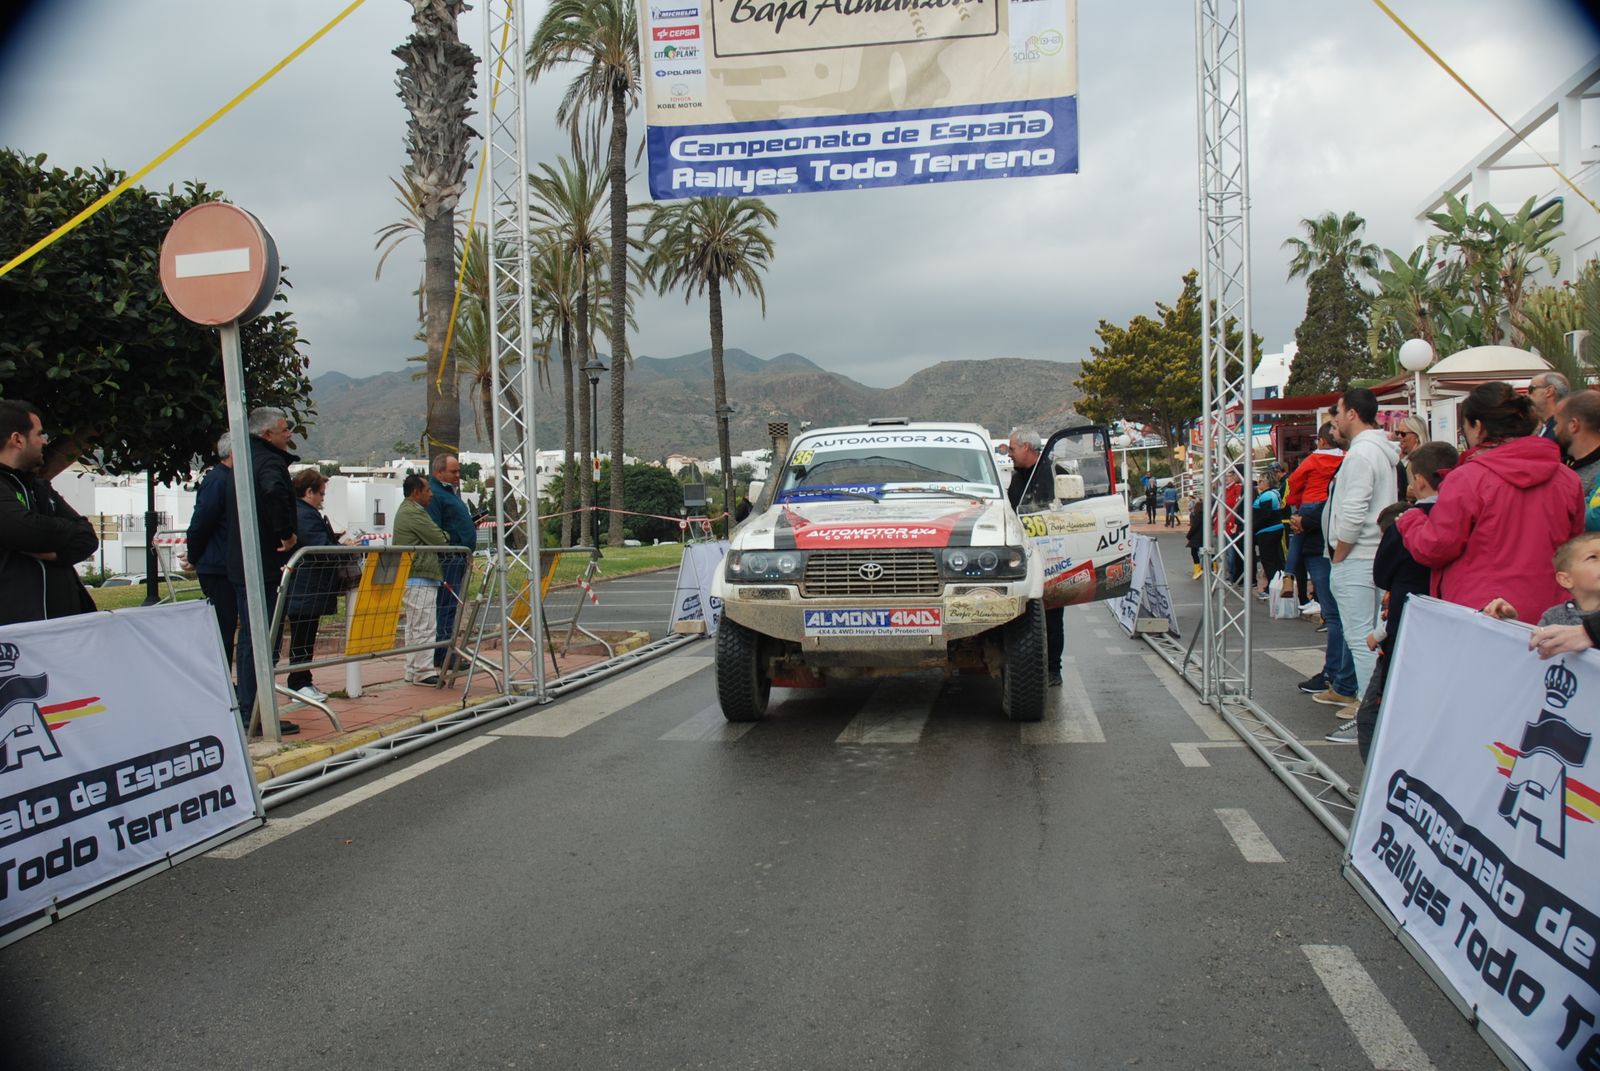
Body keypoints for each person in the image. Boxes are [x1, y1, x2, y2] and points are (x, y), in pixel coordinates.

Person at [1398, 381, 1584, 624]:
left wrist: (1411, 520)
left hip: (1482, 612)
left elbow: (1435, 547)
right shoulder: (1568, 479)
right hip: (1549, 614)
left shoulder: (1468, 479)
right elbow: (1574, 546)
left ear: (1478, 426)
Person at [1326, 441, 1457, 751]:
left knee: (1376, 707)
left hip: (1405, 623)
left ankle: (1376, 778)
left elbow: (1384, 574)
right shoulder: (1461, 517)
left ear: (1420, 480)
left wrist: (1341, 553)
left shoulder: (1406, 524)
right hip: (1444, 624)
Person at [1323, 388, 1399, 720]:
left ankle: (1368, 716)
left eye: (1338, 413)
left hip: (1357, 558)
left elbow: (1353, 512)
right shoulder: (1378, 452)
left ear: (1352, 414)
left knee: (1360, 639)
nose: (1335, 420)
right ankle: (1371, 709)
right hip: (1371, 555)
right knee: (1369, 636)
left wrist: (1340, 554)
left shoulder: (1361, 455)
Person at [228, 406, 301, 735]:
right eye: (284, 429)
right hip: (263, 562)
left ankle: (253, 708)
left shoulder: (243, 461)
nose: (290, 434)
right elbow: (272, 492)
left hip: (245, 561)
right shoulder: (269, 462)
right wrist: (286, 533)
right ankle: (254, 710)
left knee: (253, 639)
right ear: (267, 434)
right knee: (262, 639)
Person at [0, 399, 97, 625]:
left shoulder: (39, 487)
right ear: (17, 439)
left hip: (62, 628)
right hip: (17, 636)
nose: (45, 441)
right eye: (40, 434)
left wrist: (56, 553)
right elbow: (26, 531)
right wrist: (65, 530)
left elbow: (88, 537)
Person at [1007, 427, 1063, 686]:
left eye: (1012, 449)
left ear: (1026, 447)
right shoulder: (1017, 478)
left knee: (1052, 615)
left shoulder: (1054, 473)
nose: (1009, 454)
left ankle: (1053, 670)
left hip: (1052, 555)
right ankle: (1022, 670)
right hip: (1022, 557)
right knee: (1020, 616)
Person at [1486, 532, 1600, 659]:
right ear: (1566, 580)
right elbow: (1535, 657)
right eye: (1593, 557)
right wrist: (1511, 624)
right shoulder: (1553, 616)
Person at [282, 469, 344, 704]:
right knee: (302, 636)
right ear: (309, 492)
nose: (322, 499)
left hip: (310, 586)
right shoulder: (304, 515)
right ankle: (298, 683)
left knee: (306, 635)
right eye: (321, 494)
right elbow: (318, 544)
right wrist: (341, 549)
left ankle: (303, 679)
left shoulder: (303, 513)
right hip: (306, 586)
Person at [184, 432, 237, 666]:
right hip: (217, 566)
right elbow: (202, 521)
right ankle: (222, 684)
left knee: (228, 626)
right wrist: (194, 556)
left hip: (225, 563)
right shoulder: (217, 480)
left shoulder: (228, 479)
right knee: (222, 627)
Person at [394, 473, 450, 686]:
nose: (431, 494)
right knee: (424, 625)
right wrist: (447, 536)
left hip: (417, 575)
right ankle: (423, 671)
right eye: (427, 490)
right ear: (415, 492)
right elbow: (438, 538)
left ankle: (413, 668)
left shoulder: (411, 511)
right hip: (419, 575)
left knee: (415, 625)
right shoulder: (414, 513)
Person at [426, 453, 475, 672]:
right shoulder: (435, 494)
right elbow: (434, 527)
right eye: (453, 471)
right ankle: (442, 653)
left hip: (459, 557)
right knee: (445, 606)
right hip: (449, 559)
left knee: (451, 607)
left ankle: (447, 650)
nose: (458, 475)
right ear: (439, 472)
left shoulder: (449, 493)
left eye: (458, 471)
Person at [1285, 422, 1343, 608]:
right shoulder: (1346, 457)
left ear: (1323, 441)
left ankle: (1289, 574)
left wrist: (1296, 500)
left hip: (1311, 502)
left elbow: (1295, 480)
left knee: (1297, 538)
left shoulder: (1314, 458)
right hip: (1333, 504)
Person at [1554, 389, 1600, 532]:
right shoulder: (1563, 465)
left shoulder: (1596, 472)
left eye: (1557, 423)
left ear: (1573, 425)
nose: (1555, 430)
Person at [1251, 469, 1285, 600]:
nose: (1258, 483)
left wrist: (1252, 528)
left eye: (1261, 481)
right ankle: (1277, 585)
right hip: (1272, 529)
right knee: (1275, 558)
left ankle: (1272, 588)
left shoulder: (1267, 496)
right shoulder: (1273, 494)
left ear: (1267, 482)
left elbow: (1266, 515)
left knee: (1268, 559)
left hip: (1268, 531)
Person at [1393, 415, 1427, 501]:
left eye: (1403, 434)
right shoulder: (1410, 458)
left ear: (1417, 436)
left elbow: (1418, 491)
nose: (1399, 436)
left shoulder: (1420, 459)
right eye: (1398, 433)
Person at [1530, 370, 1570, 440]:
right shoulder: (1548, 425)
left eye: (1531, 389)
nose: (1526, 394)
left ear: (1549, 391)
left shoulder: (1560, 429)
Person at [1186, 494, 1205, 579]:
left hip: (1197, 537)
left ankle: (1197, 570)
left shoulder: (1198, 516)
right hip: (1204, 537)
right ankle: (1214, 567)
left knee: (1194, 552)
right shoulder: (1206, 515)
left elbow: (1194, 527)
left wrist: (1189, 535)